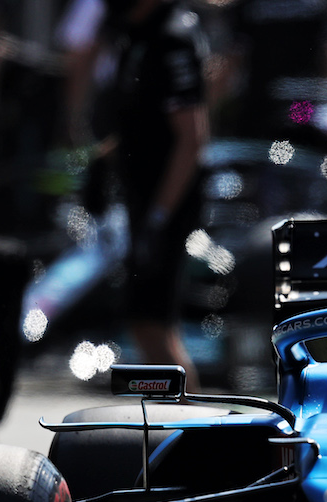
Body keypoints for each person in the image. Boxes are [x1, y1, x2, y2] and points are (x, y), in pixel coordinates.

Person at [94, 0, 209, 387]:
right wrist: (100, 160)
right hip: (141, 201)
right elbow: (140, 120)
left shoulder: (172, 36)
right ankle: (180, 422)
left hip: (166, 204)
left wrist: (159, 219)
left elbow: (191, 138)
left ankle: (199, 428)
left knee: (153, 323)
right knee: (142, 322)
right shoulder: (134, 34)